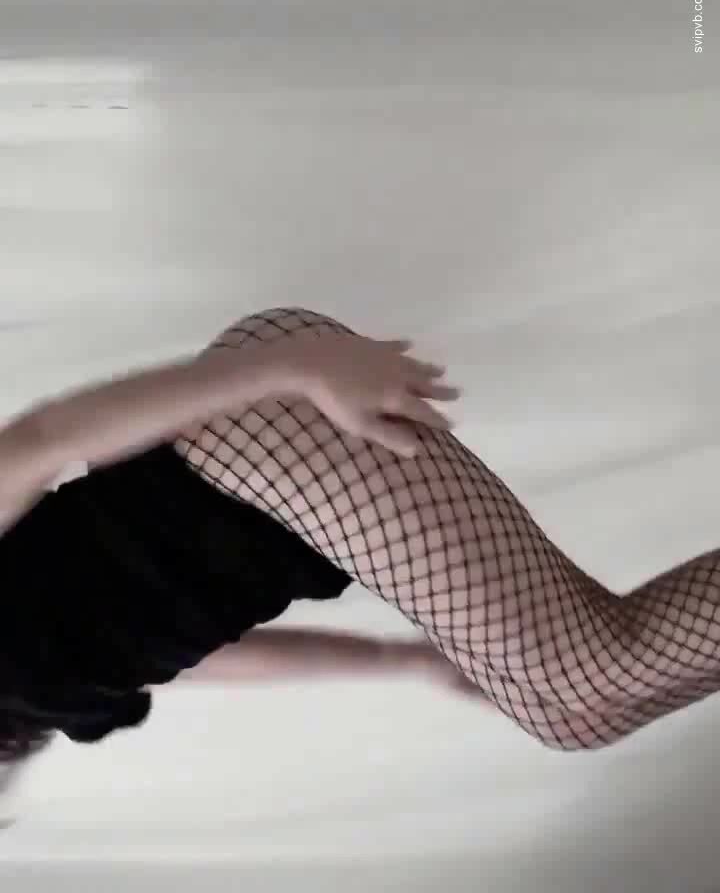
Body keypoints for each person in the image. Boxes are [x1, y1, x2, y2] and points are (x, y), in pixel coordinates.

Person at [0, 307, 717, 771]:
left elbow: (40, 440)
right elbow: (188, 657)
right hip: (283, 503)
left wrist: (295, 367)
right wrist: (400, 661)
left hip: (252, 435)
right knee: (575, 722)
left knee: (589, 671)